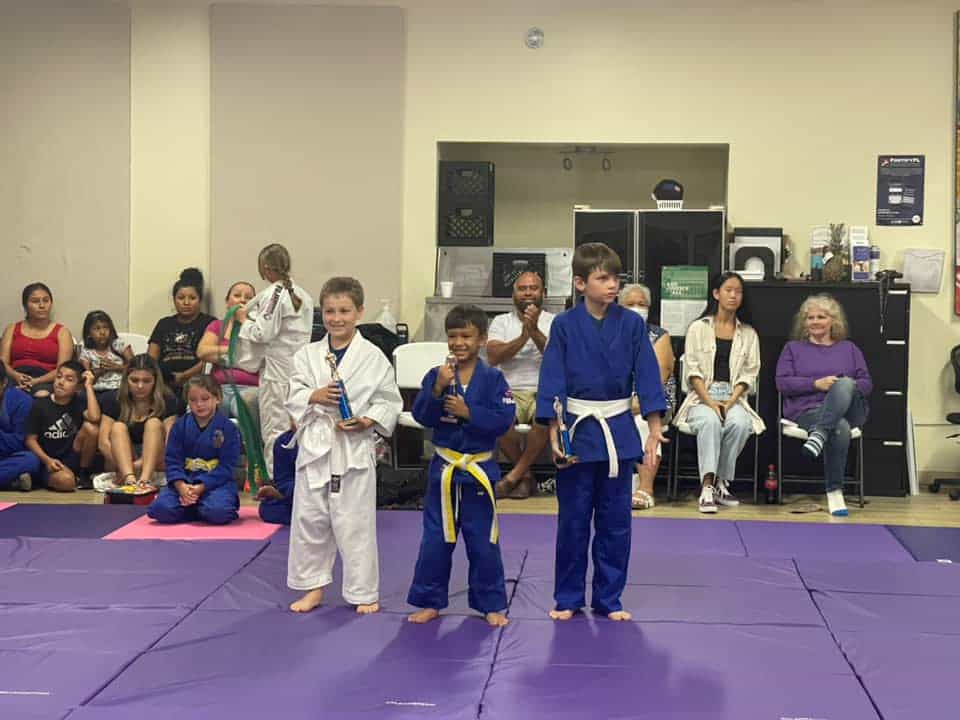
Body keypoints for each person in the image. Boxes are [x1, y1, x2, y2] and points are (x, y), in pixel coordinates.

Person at [536, 243, 666, 622]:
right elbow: (553, 381)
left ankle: (609, 599)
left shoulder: (631, 325)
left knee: (615, 524)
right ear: (580, 283)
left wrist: (654, 429)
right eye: (603, 278)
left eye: (616, 278)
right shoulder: (563, 326)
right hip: (577, 430)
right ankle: (568, 597)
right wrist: (554, 435)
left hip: (618, 432)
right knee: (573, 522)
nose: (613, 286)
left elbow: (647, 377)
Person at [284, 277, 401, 614]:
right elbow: (292, 392)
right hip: (317, 446)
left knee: (354, 521)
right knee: (310, 519)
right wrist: (312, 395)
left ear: (359, 312)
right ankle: (313, 587)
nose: (337, 318)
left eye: (344, 311)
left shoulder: (373, 356)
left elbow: (388, 400)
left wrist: (367, 421)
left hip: (352, 448)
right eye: (331, 311)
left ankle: (363, 592)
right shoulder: (308, 354)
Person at [407, 305, 515, 628]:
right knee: (435, 540)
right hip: (444, 470)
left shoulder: (494, 379)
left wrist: (469, 413)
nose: (458, 342)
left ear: (481, 340)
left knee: (483, 541)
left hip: (478, 472)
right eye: (453, 335)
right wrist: (438, 389)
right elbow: (421, 416)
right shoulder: (436, 375)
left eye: (466, 335)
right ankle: (429, 600)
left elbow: (503, 420)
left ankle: (491, 603)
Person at [673, 271, 765, 514]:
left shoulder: (748, 334)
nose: (734, 295)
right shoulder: (698, 328)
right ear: (716, 294)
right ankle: (706, 487)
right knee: (710, 421)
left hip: (734, 397)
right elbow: (692, 371)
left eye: (738, 291)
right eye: (729, 290)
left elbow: (749, 373)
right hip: (701, 397)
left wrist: (729, 401)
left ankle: (721, 483)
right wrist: (711, 402)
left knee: (740, 423)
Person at [775, 294, 871, 517]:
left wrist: (842, 388)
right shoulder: (793, 349)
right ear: (804, 322)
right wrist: (816, 384)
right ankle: (835, 492)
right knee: (840, 427)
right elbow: (782, 382)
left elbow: (866, 383)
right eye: (810, 318)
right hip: (808, 410)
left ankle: (819, 434)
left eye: (822, 316)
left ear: (833, 321)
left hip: (851, 409)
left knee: (846, 382)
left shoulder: (849, 349)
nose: (815, 321)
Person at [235, 244, 314, 478]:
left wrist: (243, 320)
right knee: (298, 431)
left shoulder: (274, 295)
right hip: (300, 373)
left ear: (266, 269)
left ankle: (275, 484)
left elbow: (262, 334)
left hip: (278, 376)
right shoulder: (303, 295)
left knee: (275, 432)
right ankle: (296, 485)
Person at [486, 271, 554, 500]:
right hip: (509, 389)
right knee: (498, 419)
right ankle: (525, 476)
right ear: (514, 294)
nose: (528, 292)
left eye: (533, 288)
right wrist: (524, 336)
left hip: (542, 390)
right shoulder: (501, 322)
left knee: (545, 417)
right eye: (522, 288)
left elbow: (556, 358)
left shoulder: (555, 322)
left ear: (543, 293)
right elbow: (494, 356)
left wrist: (534, 330)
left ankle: (515, 476)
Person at [148, 376, 241, 525]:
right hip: (184, 481)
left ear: (218, 398)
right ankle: (195, 507)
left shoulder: (227, 428)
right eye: (193, 400)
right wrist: (181, 486)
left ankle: (197, 507)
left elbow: (227, 466)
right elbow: (172, 461)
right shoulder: (179, 426)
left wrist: (201, 487)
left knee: (219, 512)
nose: (199, 404)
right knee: (160, 509)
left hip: (215, 484)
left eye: (205, 399)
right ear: (187, 401)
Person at [620, 283, 676, 510]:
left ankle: (646, 488)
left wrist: (637, 402)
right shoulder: (609, 333)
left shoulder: (658, 336)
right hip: (618, 401)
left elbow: (659, 375)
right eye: (630, 304)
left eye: (641, 304)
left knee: (643, 420)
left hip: (654, 399)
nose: (636, 308)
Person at [98, 354, 179, 488]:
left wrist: (138, 465)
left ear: (155, 381)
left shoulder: (168, 400)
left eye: (146, 381)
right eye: (134, 380)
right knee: (118, 427)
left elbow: (170, 443)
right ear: (126, 380)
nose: (140, 386)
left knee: (154, 423)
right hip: (122, 458)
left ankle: (144, 481)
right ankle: (130, 479)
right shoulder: (112, 399)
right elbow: (103, 443)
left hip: (156, 460)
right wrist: (128, 468)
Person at [25, 361, 101, 492]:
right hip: (48, 460)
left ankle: (83, 473)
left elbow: (95, 417)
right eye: (59, 376)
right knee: (67, 482)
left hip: (72, 455)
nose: (61, 382)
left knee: (92, 428)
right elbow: (30, 440)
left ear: (78, 387)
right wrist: (47, 461)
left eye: (69, 379)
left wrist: (88, 386)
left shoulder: (79, 401)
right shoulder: (40, 405)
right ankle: (37, 478)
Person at [196, 281, 260, 425]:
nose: (242, 300)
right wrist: (237, 352)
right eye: (237, 295)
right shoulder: (217, 326)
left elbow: (259, 358)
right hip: (220, 388)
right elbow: (202, 352)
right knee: (205, 404)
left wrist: (222, 356)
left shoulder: (258, 330)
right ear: (227, 302)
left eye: (249, 297)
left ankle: (250, 447)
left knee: (245, 405)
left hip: (251, 389)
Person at [148, 268, 215, 398]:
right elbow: (151, 359)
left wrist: (184, 376)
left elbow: (209, 359)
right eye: (181, 298)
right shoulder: (164, 323)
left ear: (200, 300)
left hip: (197, 381)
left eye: (192, 298)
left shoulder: (210, 323)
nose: (186, 302)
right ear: (174, 300)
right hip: (164, 382)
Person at [1, 283, 74, 397]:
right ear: (25, 306)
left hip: (46, 380)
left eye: (46, 300)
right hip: (14, 376)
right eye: (35, 301)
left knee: (41, 395)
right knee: (10, 393)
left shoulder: (62, 332)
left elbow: (62, 369)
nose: (41, 305)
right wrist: (16, 376)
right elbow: (3, 363)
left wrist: (36, 381)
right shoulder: (11, 329)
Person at [0, 360, 41, 491]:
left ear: (4, 383)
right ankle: (11, 481)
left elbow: (19, 442)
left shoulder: (22, 401)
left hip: (8, 455)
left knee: (31, 460)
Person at [78, 310, 134, 400]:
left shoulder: (118, 344)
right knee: (81, 397)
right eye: (97, 329)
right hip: (96, 390)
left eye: (106, 327)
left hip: (118, 388)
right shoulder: (87, 351)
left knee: (111, 398)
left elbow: (136, 367)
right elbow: (86, 378)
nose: (102, 332)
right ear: (89, 334)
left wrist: (115, 367)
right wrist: (99, 371)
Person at [257, 427, 296, 525]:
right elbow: (283, 481)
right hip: (296, 495)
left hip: (325, 494)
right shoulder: (283, 442)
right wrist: (277, 494)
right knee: (266, 510)